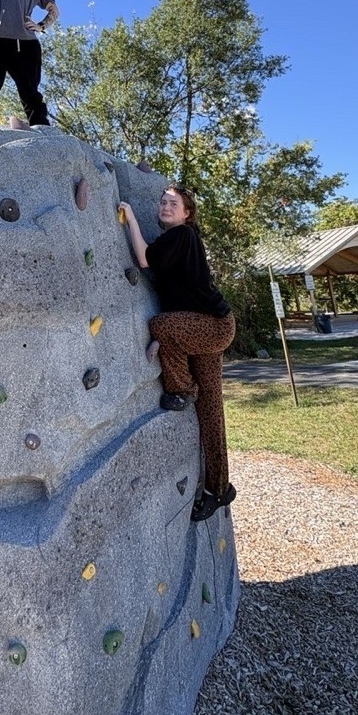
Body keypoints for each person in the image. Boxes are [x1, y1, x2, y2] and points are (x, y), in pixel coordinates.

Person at [120, 186, 237, 521]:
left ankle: (183, 389)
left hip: (212, 325)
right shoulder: (173, 241)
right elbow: (154, 256)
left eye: (174, 203)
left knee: (161, 326)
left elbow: (143, 259)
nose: (165, 206)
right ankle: (220, 488)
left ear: (187, 213)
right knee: (212, 411)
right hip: (204, 328)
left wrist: (129, 217)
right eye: (162, 202)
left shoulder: (182, 234)